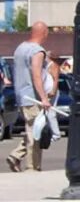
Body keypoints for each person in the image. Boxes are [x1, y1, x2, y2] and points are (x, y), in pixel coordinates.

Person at [7, 22, 51, 172]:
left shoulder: (20, 48)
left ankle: (16, 155)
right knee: (35, 132)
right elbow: (36, 75)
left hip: (21, 96)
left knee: (31, 128)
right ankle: (32, 166)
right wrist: (44, 98)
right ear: (44, 33)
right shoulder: (37, 51)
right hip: (33, 98)